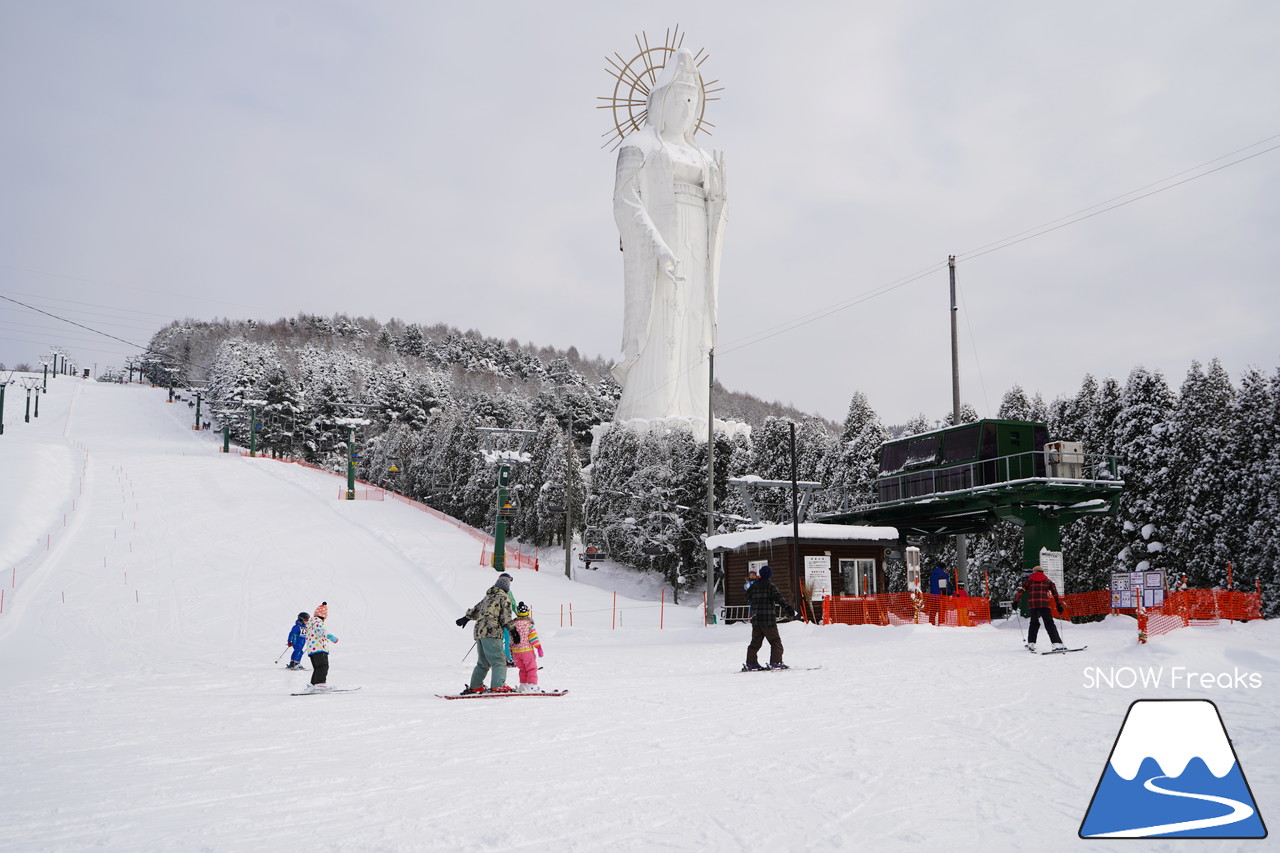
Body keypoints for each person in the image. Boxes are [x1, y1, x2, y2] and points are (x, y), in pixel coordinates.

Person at [611, 48, 728, 421]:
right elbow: (626, 204)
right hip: (662, 247)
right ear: (661, 101)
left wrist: (721, 194)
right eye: (680, 98)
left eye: (693, 100)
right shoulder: (638, 148)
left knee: (694, 322)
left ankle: (690, 408)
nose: (687, 107)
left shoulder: (703, 158)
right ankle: (653, 407)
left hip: (697, 245)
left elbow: (718, 208)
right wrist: (657, 247)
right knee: (664, 321)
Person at [456, 574, 518, 694]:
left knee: (483, 662)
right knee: (499, 660)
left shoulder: (488, 597)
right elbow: (505, 618)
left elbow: (475, 610)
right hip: (492, 631)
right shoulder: (504, 597)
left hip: (480, 632)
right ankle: (498, 686)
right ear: (506, 587)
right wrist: (513, 631)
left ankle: (476, 686)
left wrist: (465, 618)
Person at [743, 566, 798, 671]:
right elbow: (780, 599)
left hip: (756, 619)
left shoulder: (754, 586)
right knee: (775, 641)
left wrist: (755, 602)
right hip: (768, 620)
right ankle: (776, 662)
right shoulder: (770, 586)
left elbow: (747, 597)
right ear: (769, 575)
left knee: (755, 642)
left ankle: (751, 663)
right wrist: (790, 610)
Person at [1015, 567, 1067, 652]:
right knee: (1049, 623)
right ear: (1042, 572)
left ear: (1034, 571)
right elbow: (1055, 592)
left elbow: (1021, 591)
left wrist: (1016, 601)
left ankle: (1031, 643)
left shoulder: (1029, 581)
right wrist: (1058, 604)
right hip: (1044, 604)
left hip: (1033, 605)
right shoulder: (1047, 580)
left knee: (1034, 623)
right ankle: (1057, 643)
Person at [510, 602, 545, 693]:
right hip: (527, 652)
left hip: (516, 652)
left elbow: (511, 639)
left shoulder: (513, 625)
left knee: (522, 669)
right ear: (527, 613)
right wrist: (539, 648)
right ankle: (532, 686)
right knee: (531, 669)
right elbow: (533, 638)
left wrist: (510, 651)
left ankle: (523, 686)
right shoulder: (529, 625)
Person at [305, 601, 339, 690]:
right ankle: (320, 684)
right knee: (323, 666)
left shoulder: (310, 623)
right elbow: (320, 631)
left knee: (317, 668)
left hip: (312, 650)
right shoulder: (318, 621)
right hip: (319, 648)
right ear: (324, 616)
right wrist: (330, 637)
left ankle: (313, 684)